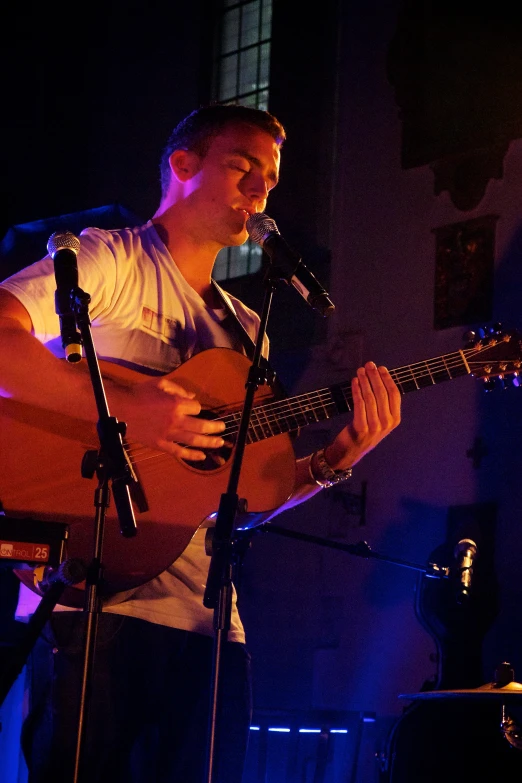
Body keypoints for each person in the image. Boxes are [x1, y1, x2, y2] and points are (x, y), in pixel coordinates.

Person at [0, 103, 402, 783]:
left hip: (209, 626)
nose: (260, 191)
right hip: (95, 597)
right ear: (183, 166)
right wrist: (136, 407)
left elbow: (235, 504)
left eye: (269, 181)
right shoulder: (107, 258)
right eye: (244, 167)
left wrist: (337, 459)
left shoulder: (248, 328)